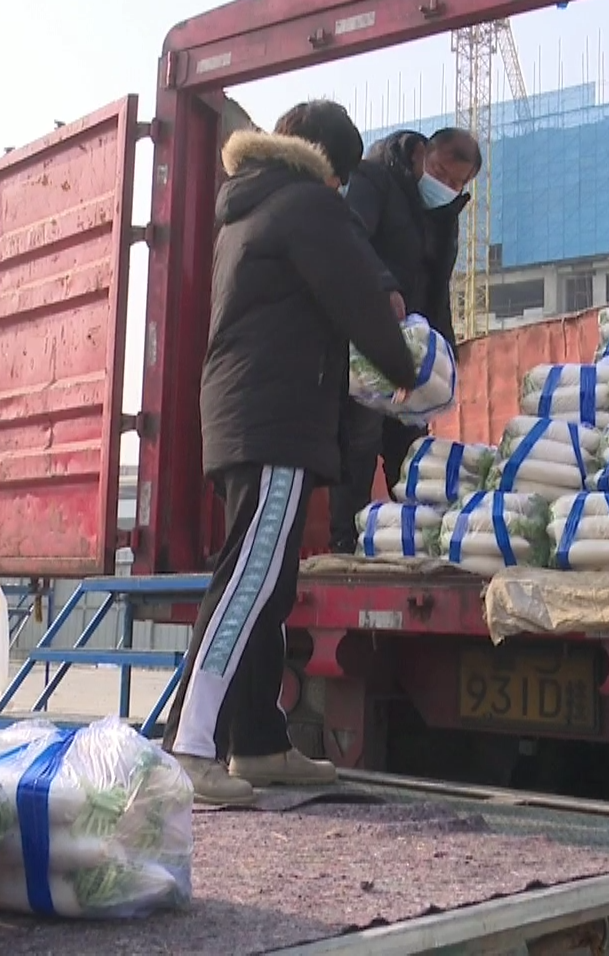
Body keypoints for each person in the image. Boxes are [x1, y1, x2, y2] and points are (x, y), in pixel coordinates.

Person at [162, 99, 418, 805]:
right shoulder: (308, 204)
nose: (343, 190)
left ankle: (258, 741)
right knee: (249, 577)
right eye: (343, 177)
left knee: (269, 582)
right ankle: (190, 744)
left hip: (248, 412)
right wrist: (405, 370)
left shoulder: (250, 205)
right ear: (330, 166)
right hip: (275, 419)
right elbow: (357, 296)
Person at [331, 127, 483, 550]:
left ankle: (407, 544)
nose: (445, 186)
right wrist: (383, 285)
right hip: (367, 339)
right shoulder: (374, 179)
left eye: (456, 183)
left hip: (412, 351)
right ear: (419, 153)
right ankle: (345, 548)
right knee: (360, 444)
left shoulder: (443, 214)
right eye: (440, 173)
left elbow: (436, 287)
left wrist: (446, 348)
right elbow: (349, 234)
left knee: (412, 453)